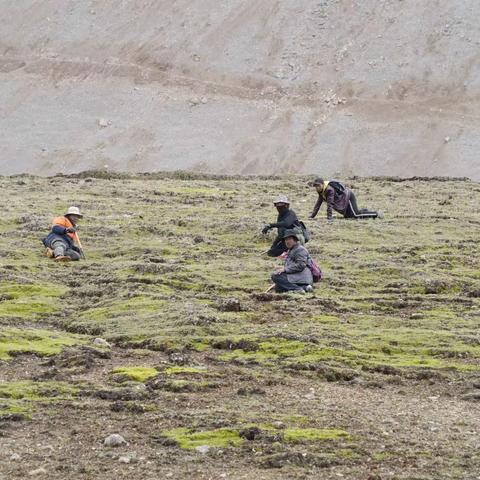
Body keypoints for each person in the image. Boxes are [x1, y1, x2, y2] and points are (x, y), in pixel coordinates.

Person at [309, 178, 384, 220]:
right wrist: (312, 216)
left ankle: (376, 214)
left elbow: (330, 204)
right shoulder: (321, 191)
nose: (317, 188)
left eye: (318, 186)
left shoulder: (329, 190)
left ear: (322, 184)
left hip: (348, 198)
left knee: (355, 215)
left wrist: (329, 217)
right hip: (343, 201)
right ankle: (365, 211)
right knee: (349, 217)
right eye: (315, 186)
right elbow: (318, 204)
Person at [271, 229, 313, 294]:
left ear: (295, 240)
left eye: (289, 239)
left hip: (301, 276)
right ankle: (305, 288)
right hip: (296, 275)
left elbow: (301, 265)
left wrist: (285, 269)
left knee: (275, 276)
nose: (287, 241)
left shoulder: (300, 250)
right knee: (278, 288)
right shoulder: (292, 250)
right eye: (285, 239)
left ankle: (298, 289)